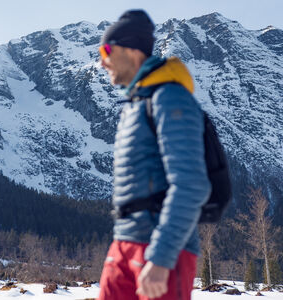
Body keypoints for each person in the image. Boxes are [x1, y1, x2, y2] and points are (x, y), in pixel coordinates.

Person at [97, 10, 211, 300]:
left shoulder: (170, 98)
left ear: (131, 50)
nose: (102, 60)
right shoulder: (136, 103)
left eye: (106, 49)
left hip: (161, 249)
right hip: (124, 242)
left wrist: (161, 257)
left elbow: (191, 185)